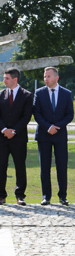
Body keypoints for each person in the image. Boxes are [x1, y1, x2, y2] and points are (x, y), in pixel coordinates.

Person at [33, 66, 74, 206]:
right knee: (45, 167)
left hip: (60, 135)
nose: (45, 79)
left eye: (48, 76)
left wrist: (57, 126)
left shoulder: (66, 93)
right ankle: (46, 197)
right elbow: (36, 113)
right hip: (44, 135)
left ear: (56, 78)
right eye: (44, 76)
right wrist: (48, 127)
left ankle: (63, 196)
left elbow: (70, 114)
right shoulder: (39, 93)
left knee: (62, 167)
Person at [0, 67, 33, 205]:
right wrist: (4, 130)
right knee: (1, 167)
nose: (4, 80)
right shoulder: (1, 94)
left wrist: (13, 131)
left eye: (7, 78)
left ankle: (20, 195)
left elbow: (26, 117)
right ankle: (1, 196)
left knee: (20, 167)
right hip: (2, 138)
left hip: (18, 138)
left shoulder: (27, 95)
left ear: (15, 79)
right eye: (4, 78)